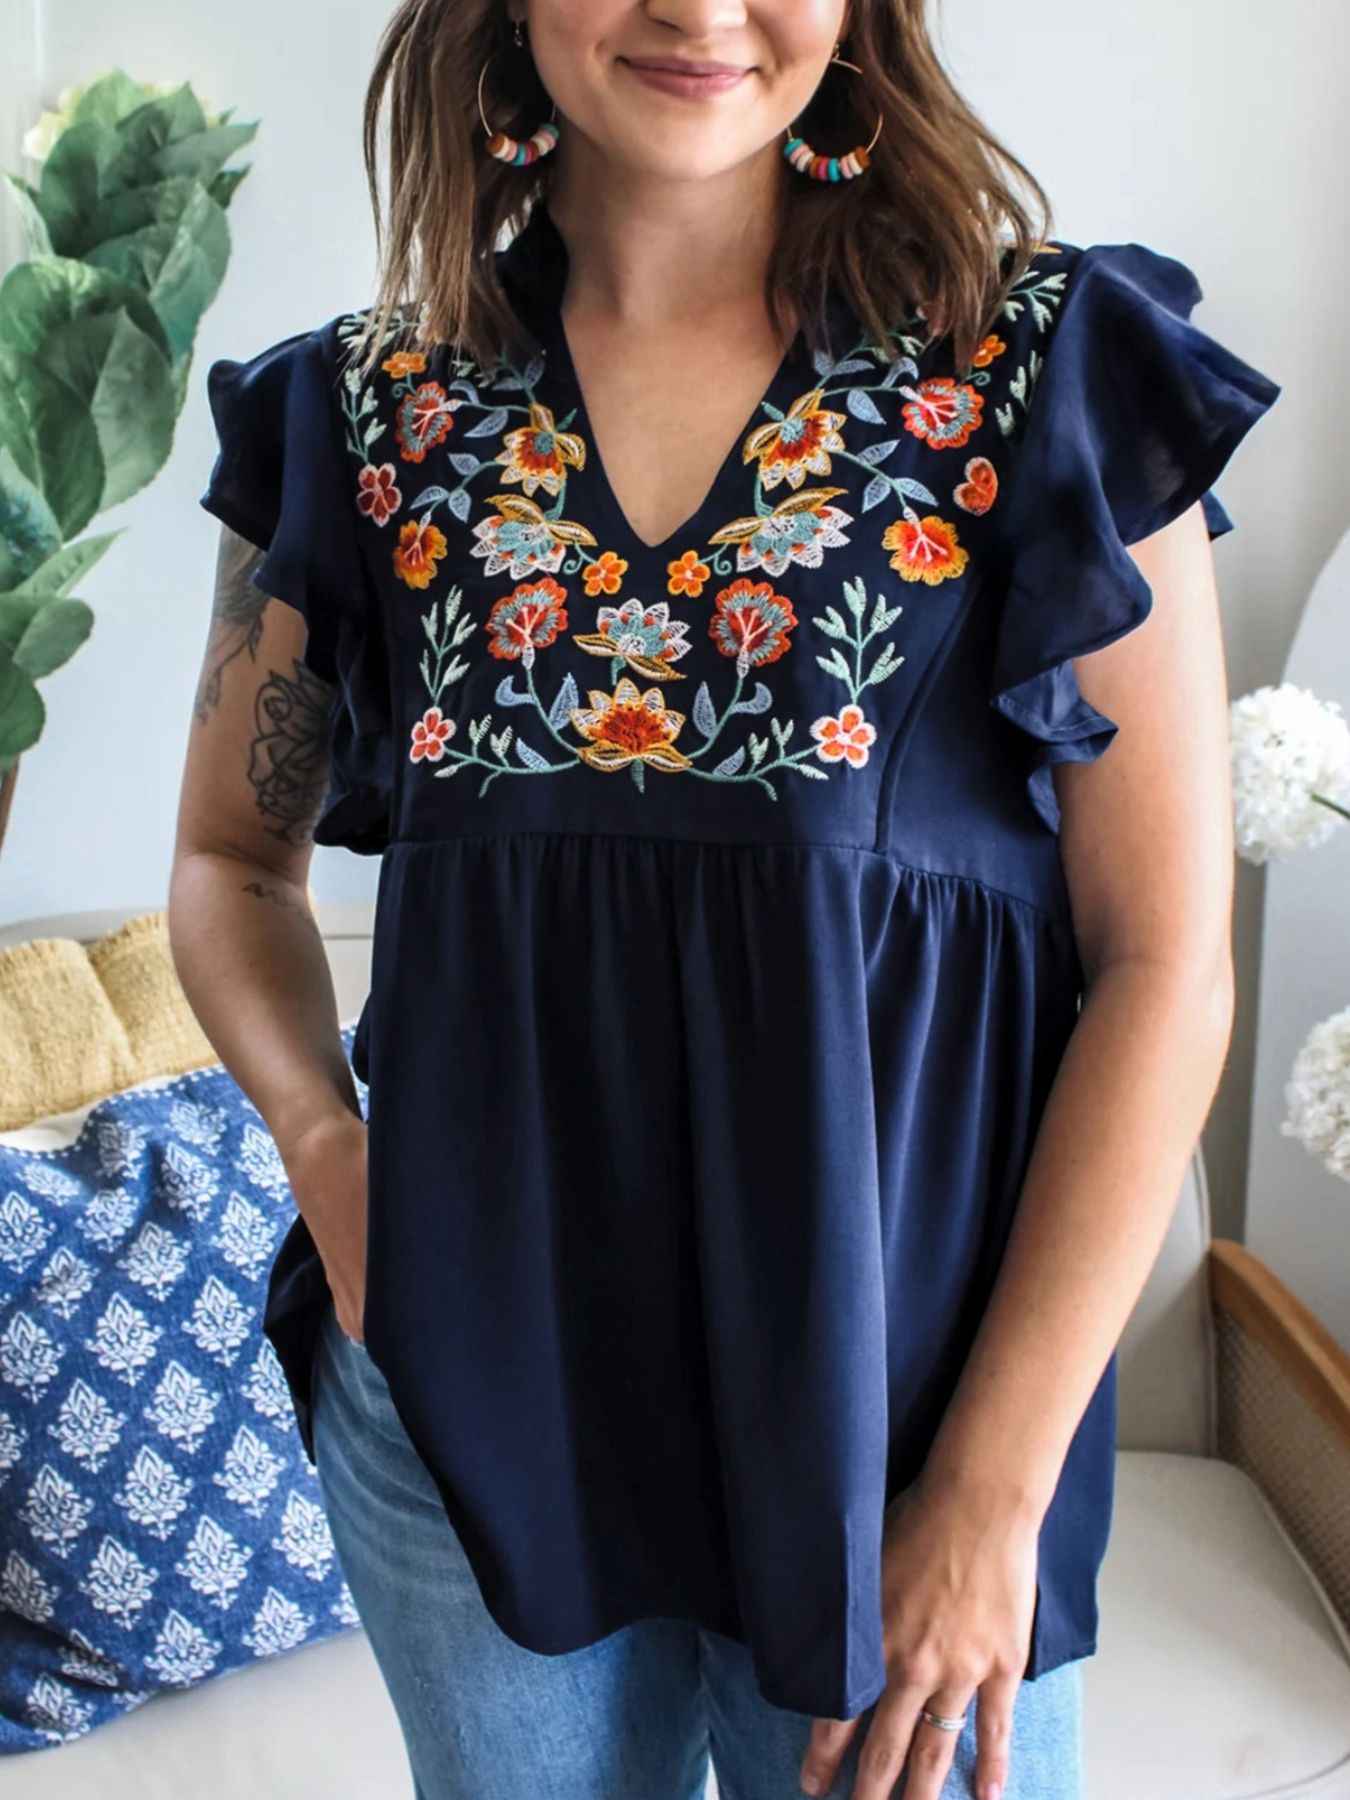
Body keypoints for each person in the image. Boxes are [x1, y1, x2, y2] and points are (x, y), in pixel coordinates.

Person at [170, 2, 1281, 1796]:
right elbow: (230, 863)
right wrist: (326, 1149)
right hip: (471, 1407)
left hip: (903, 1438)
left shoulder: (1044, 373)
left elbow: (1162, 962)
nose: (698, 10)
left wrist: (990, 1495)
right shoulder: (357, 416)